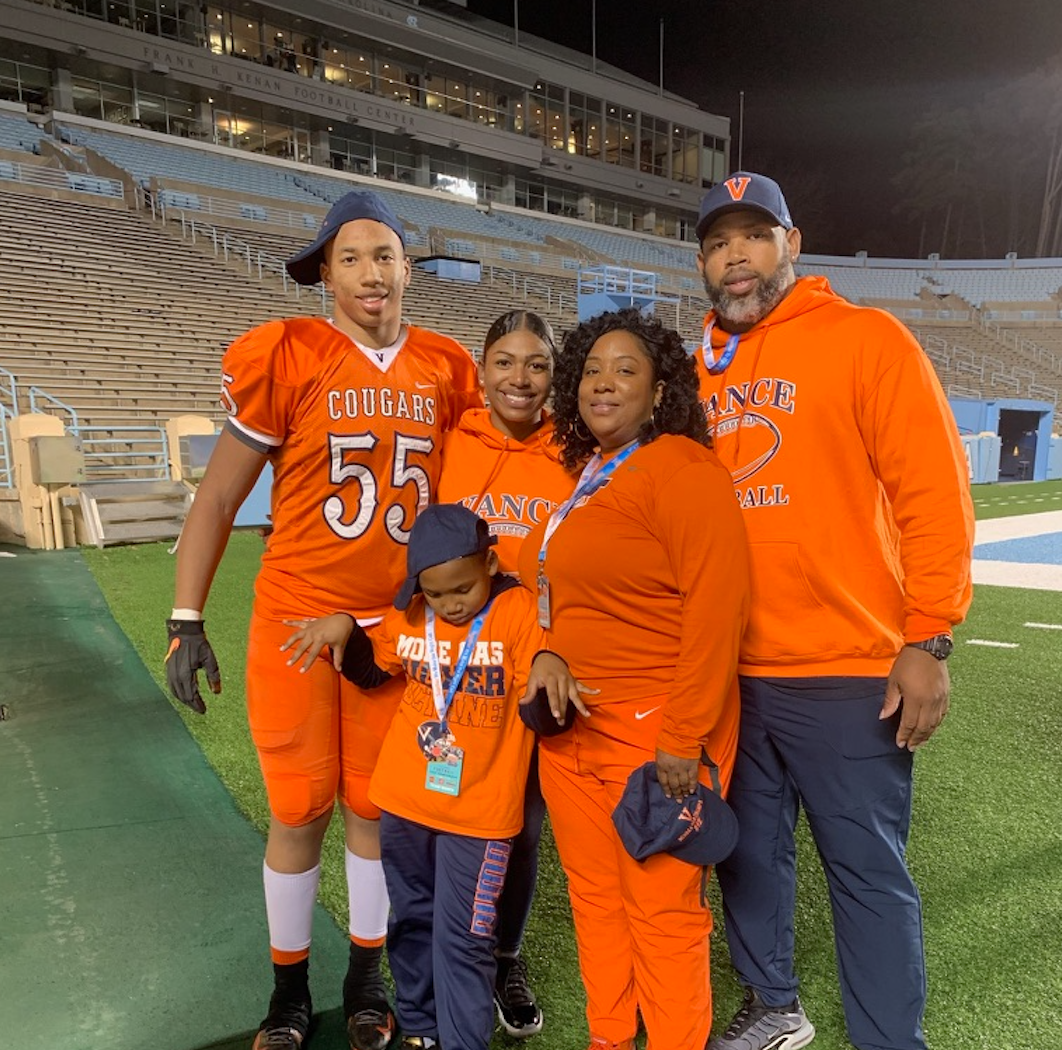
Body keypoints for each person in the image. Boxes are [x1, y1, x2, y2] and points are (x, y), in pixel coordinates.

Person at [164, 191, 481, 1050]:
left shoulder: (449, 367)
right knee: (299, 809)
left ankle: (367, 981)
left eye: (384, 255)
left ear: (408, 268)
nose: (371, 273)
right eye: (351, 258)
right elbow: (222, 494)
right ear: (326, 276)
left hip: (395, 623)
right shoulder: (291, 353)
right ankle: (289, 991)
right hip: (297, 619)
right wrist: (185, 616)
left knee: (377, 810)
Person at [693, 172, 975, 1050]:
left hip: (850, 671)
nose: (734, 255)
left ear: (792, 245)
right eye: (715, 242)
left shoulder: (864, 338)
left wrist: (929, 634)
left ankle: (891, 1041)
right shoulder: (695, 368)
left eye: (753, 235)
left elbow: (933, 489)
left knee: (866, 876)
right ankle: (774, 1005)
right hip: (737, 671)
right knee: (746, 861)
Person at [517, 306, 751, 1050]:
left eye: (626, 371)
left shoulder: (682, 469)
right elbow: (562, 592)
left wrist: (685, 738)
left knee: (663, 914)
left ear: (659, 394)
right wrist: (546, 651)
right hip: (573, 738)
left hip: (655, 741)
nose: (603, 384)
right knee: (594, 903)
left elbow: (718, 614)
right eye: (590, 369)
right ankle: (611, 1038)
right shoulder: (585, 475)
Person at [278, 503, 583, 1050]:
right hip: (403, 800)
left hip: (481, 816)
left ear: (489, 563)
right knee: (412, 922)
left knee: (464, 939)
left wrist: (550, 664)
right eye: (436, 594)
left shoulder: (517, 612)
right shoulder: (413, 613)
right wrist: (346, 632)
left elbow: (543, 713)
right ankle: (420, 1029)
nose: (450, 605)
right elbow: (374, 673)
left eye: (461, 589)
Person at [436, 308, 577, 1038]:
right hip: (451, 663)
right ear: (480, 367)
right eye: (504, 362)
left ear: (555, 375)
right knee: (440, 809)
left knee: (521, 824)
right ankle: (437, 960)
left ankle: (504, 956)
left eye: (537, 364)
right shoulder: (450, 434)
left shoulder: (576, 448)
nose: (520, 379)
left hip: (535, 662)